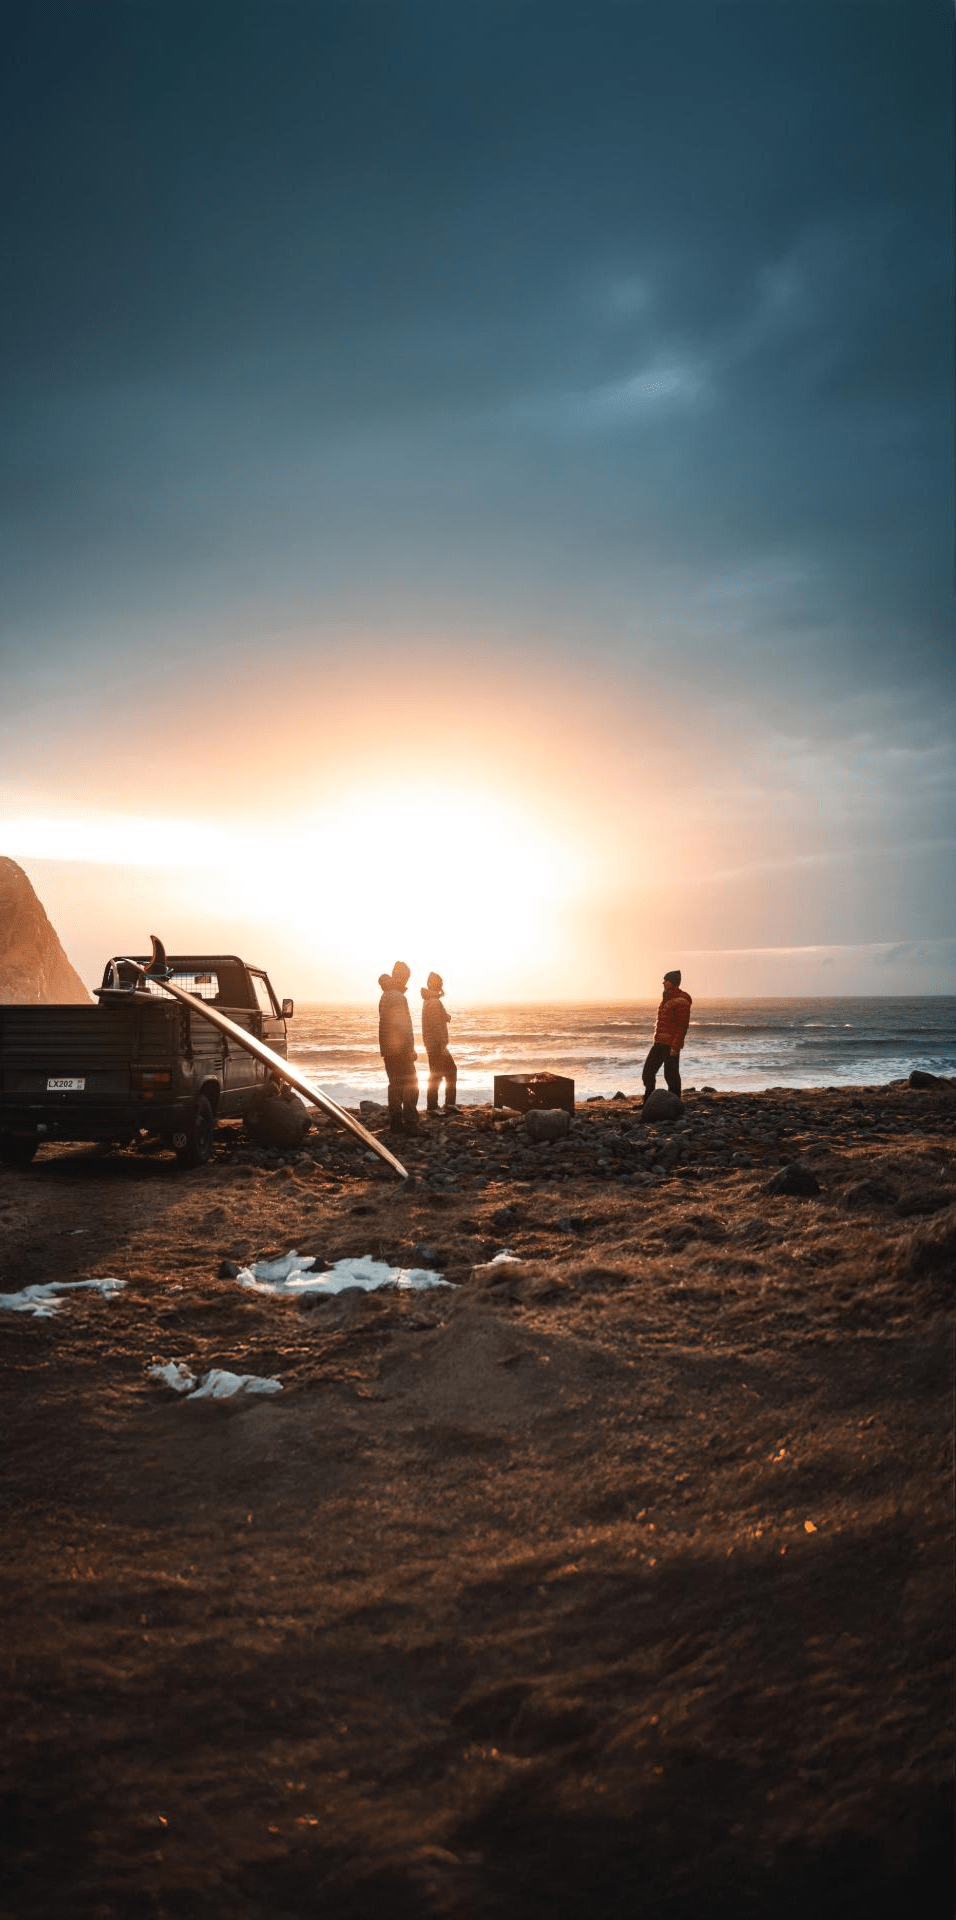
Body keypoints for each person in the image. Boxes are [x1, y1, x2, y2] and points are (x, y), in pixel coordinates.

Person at [378, 962, 419, 1133]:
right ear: (401, 976)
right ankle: (410, 1123)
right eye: (406, 977)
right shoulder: (397, 997)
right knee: (411, 1083)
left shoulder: (385, 995)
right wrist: (410, 1048)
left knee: (395, 1085)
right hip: (400, 1048)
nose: (407, 980)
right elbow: (402, 1026)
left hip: (388, 1049)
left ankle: (395, 1123)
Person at [642, 968, 692, 1102]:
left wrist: (675, 1047)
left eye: (666, 980)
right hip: (659, 1042)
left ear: (672, 982)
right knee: (648, 1073)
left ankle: (674, 1103)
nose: (663, 982)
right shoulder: (667, 997)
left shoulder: (681, 1000)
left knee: (671, 1075)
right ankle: (647, 1102)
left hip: (670, 1044)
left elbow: (682, 1026)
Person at [420, 971, 457, 1114]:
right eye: (439, 984)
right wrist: (443, 1046)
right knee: (451, 1072)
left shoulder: (429, 1000)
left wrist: (444, 1016)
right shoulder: (434, 1002)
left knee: (435, 1074)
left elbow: (434, 1020)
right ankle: (446, 1105)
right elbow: (435, 1026)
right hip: (436, 1044)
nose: (441, 987)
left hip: (430, 1044)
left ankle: (433, 1105)